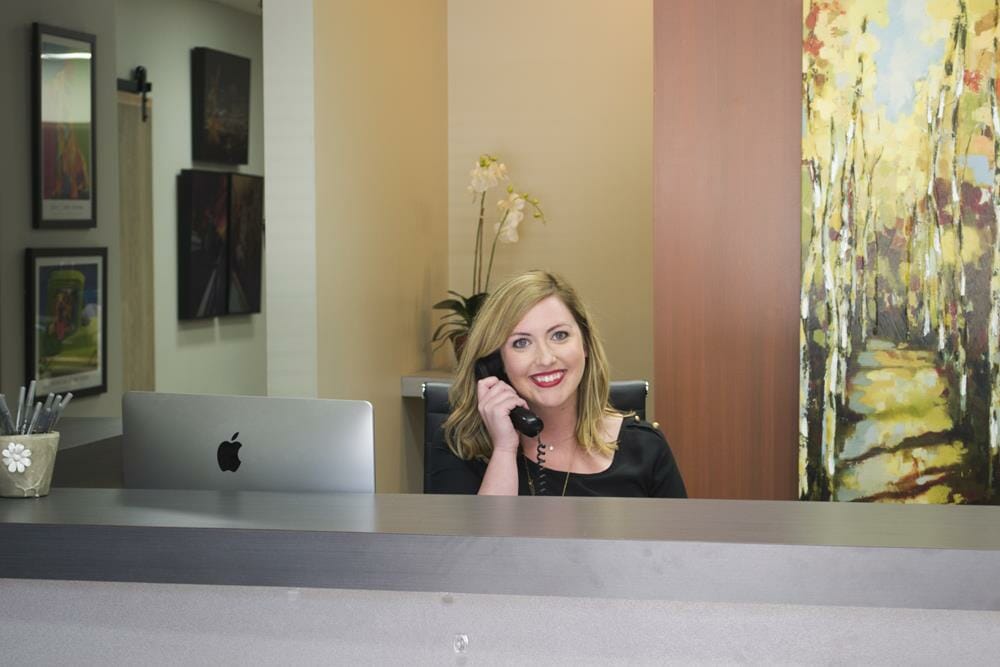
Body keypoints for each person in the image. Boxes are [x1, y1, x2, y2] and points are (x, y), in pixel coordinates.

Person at [431, 270, 686, 497]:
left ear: (585, 344)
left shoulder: (647, 449)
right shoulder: (460, 447)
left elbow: (679, 550)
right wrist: (505, 451)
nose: (545, 358)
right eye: (521, 342)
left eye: (559, 335)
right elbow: (481, 550)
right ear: (495, 363)